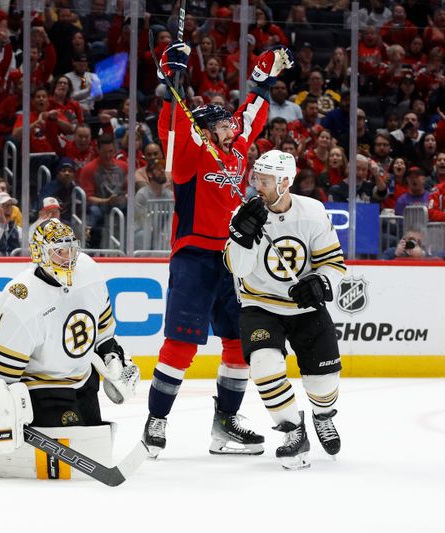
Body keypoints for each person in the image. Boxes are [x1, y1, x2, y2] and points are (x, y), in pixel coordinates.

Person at [142, 40, 294, 458]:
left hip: (235, 257)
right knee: (180, 344)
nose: (235, 130)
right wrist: (173, 79)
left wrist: (264, 79)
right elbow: (171, 130)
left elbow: (252, 117)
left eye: (232, 126)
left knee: (238, 344)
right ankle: (156, 422)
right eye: (225, 126)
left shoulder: (237, 149)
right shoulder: (191, 155)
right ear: (206, 130)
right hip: (193, 255)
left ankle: (225, 425)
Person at [0, 218, 140, 479]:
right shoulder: (22, 298)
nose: (68, 258)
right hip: (44, 387)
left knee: (97, 443)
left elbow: (103, 330)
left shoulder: (89, 270)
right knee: (68, 465)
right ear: (40, 254)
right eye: (59, 251)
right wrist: (4, 418)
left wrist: (113, 361)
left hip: (84, 379)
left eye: (71, 249)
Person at [224, 149, 345, 470]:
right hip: (260, 304)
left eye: (266, 180)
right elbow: (236, 268)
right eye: (256, 178)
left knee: (324, 382)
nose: (257, 185)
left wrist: (320, 281)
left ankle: (322, 415)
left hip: (305, 306)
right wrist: (242, 237)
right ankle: (293, 430)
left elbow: (333, 263)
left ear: (286, 181)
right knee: (264, 366)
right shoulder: (243, 212)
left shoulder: (313, 212)